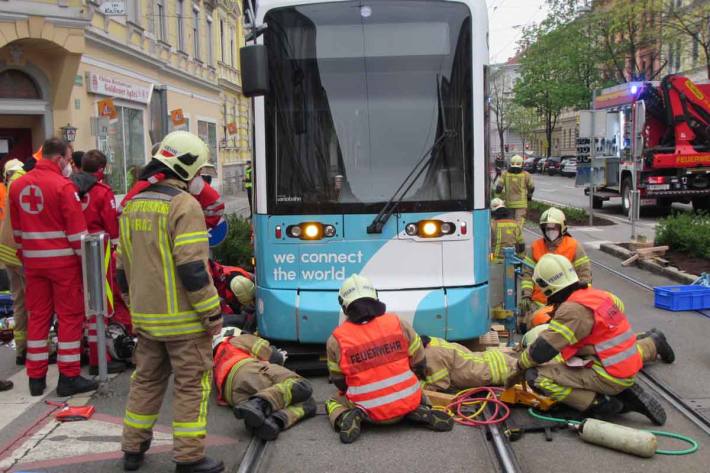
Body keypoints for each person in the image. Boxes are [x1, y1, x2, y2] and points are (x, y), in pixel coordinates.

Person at [117, 131, 224, 473]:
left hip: (147, 321)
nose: (200, 180)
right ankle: (189, 457)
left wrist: (133, 304)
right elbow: (193, 269)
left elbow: (121, 267)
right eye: (199, 174)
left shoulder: (133, 204)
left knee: (146, 382)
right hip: (185, 323)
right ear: (186, 168)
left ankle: (133, 450)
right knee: (191, 386)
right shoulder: (183, 206)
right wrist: (212, 313)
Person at [507, 254, 667, 425]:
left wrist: (519, 367)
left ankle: (599, 404)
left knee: (537, 375)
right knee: (567, 356)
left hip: (610, 374)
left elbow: (542, 351)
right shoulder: (598, 296)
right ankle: (618, 391)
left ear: (546, 286)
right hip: (627, 366)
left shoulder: (572, 309)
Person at [9, 138, 96, 397]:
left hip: (33, 264)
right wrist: (87, 265)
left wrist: (27, 256)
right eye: (68, 160)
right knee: (70, 317)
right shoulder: (63, 187)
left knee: (38, 316)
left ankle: (36, 377)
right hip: (63, 265)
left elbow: (17, 231)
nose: (69, 165)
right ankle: (68, 376)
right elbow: (77, 233)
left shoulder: (18, 186)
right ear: (59, 159)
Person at [325, 274, 453, 444]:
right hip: (408, 400)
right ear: (375, 296)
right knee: (416, 386)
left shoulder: (336, 340)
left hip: (368, 412)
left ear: (344, 305)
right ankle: (420, 408)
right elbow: (419, 362)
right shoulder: (398, 323)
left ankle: (345, 417)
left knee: (332, 400)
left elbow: (339, 381)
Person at [71, 149, 126, 376]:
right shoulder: (103, 191)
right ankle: (98, 357)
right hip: (98, 250)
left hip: (74, 249)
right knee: (101, 305)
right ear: (101, 169)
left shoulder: (69, 186)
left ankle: (81, 353)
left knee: (79, 305)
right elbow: (112, 227)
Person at [212, 327, 316, 440]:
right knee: (301, 386)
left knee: (308, 403)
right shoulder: (235, 340)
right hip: (248, 372)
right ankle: (259, 404)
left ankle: (271, 421)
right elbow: (273, 356)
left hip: (233, 397)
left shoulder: (216, 361)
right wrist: (280, 356)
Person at [519, 207, 591, 330]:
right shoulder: (535, 247)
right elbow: (527, 274)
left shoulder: (574, 246)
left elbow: (584, 273)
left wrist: (581, 298)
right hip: (539, 303)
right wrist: (526, 294)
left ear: (562, 228)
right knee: (530, 327)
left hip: (567, 302)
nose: (550, 231)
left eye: (554, 228)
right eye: (547, 228)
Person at [420, 336, 518, 392]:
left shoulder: (431, 356)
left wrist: (418, 385)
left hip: (497, 370)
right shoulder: (430, 341)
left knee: (526, 372)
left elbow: (440, 386)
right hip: (493, 360)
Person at [0, 159, 26, 365]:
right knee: (35, 302)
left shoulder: (7, 190)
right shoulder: (21, 191)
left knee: (19, 301)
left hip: (6, 252)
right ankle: (37, 348)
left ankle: (22, 349)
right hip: (19, 253)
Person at [489, 198, 524, 310]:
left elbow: (488, 246)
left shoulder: (492, 225)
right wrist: (520, 261)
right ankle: (514, 308)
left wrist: (490, 259)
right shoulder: (515, 224)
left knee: (497, 290)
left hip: (496, 262)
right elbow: (521, 245)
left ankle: (498, 308)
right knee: (513, 287)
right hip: (513, 262)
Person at [495, 154, 534, 226]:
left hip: (509, 204)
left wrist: (497, 198)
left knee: (510, 223)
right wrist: (529, 197)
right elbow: (531, 187)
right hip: (521, 204)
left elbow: (499, 187)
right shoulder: (526, 175)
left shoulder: (505, 174)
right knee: (519, 223)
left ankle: (511, 236)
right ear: (522, 164)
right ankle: (517, 236)